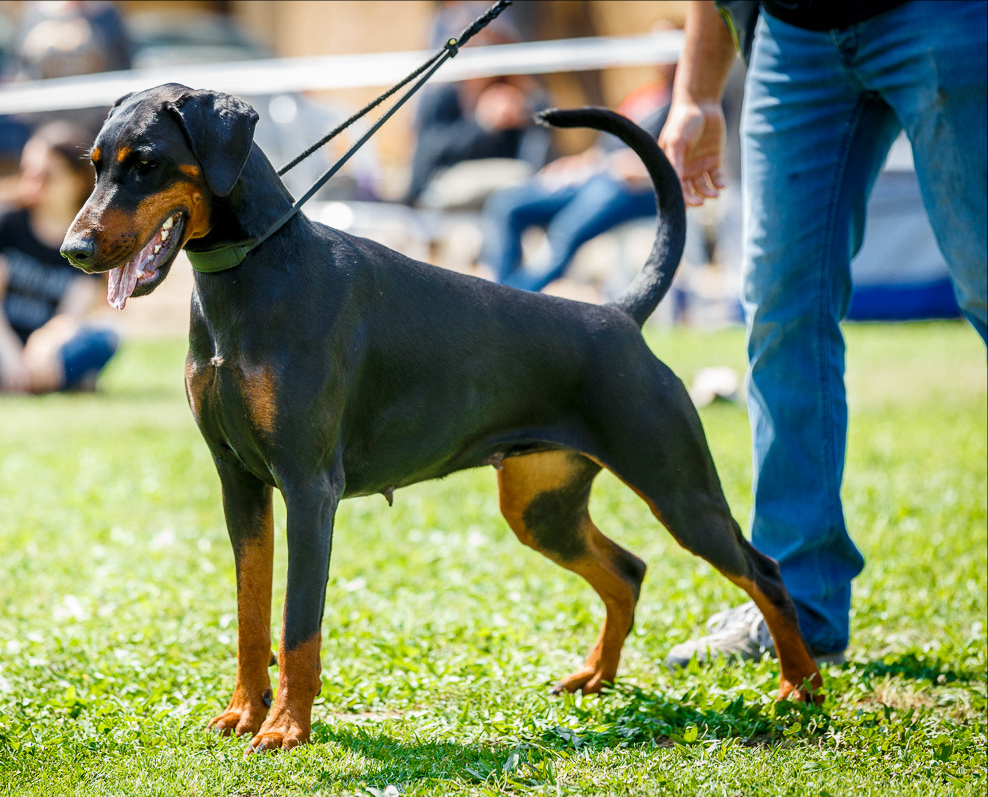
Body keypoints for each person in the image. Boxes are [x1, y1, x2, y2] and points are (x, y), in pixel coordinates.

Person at [658, 1, 987, 666]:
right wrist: (695, 90)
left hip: (940, 14)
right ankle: (798, 606)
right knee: (781, 310)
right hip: (794, 35)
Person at [0, 122, 119, 394]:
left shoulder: (89, 240)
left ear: (77, 182)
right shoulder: (1, 219)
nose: (32, 184)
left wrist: (43, 346)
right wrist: (9, 355)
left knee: (105, 339)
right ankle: (61, 383)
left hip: (50, 350)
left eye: (46, 176)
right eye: (28, 172)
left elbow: (70, 316)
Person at [479, 58, 675, 294]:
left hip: (635, 189)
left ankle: (515, 297)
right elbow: (607, 149)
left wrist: (623, 167)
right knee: (506, 203)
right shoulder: (643, 97)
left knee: (565, 230)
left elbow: (670, 164)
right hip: (598, 175)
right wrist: (576, 165)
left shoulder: (685, 107)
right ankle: (500, 291)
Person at [403, 2, 551, 210]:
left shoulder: (523, 96)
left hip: (508, 184)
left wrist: (525, 115)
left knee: (520, 182)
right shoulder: (447, 95)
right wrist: (482, 125)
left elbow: (535, 157)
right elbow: (430, 150)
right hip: (446, 179)